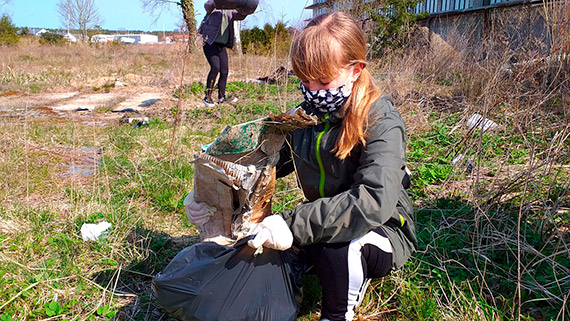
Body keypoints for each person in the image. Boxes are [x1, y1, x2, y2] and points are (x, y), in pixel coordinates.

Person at [186, 12, 417, 321]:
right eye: (305, 80)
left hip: (383, 230)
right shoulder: (305, 117)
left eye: (323, 80)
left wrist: (291, 224)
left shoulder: (382, 122)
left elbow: (372, 202)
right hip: (324, 219)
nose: (313, 90)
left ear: (355, 70)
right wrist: (208, 193)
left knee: (334, 248)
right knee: (261, 243)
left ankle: (337, 314)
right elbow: (259, 163)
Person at [198, 0, 248, 108]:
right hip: (210, 43)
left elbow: (241, 15)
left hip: (221, 46)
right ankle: (207, 97)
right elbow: (208, 5)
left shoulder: (230, 12)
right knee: (215, 67)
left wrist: (246, 7)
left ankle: (221, 98)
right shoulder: (213, 8)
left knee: (224, 71)